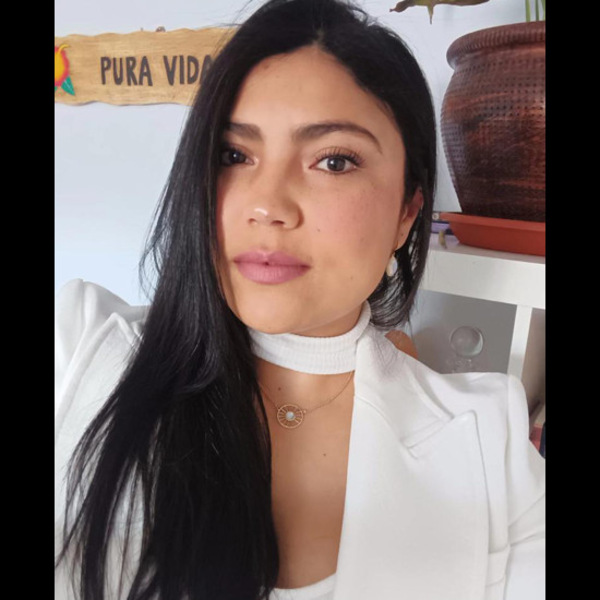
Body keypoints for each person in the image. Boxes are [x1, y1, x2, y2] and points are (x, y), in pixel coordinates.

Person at [55, 0, 545, 599]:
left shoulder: (490, 442)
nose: (268, 205)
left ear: (407, 212)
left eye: (333, 161)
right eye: (234, 155)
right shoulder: (78, 353)